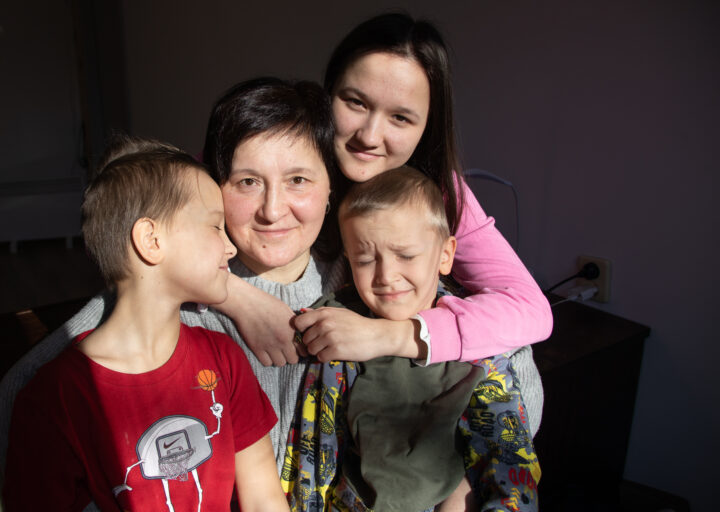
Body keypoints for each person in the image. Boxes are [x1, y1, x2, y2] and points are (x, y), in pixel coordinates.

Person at [218, 12, 552, 438]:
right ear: (329, 93)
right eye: (355, 102)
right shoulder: (279, 152)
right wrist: (238, 298)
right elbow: (153, 223)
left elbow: (529, 309)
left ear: (427, 124)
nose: (369, 136)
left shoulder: (437, 192)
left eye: (400, 118)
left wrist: (393, 336)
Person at [2, 136, 289, 511]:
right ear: (151, 240)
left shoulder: (224, 359)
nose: (230, 247)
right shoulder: (54, 399)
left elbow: (264, 499)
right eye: (215, 226)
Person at [283, 166, 539, 512]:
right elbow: (315, 449)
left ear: (445, 255)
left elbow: (509, 464)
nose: (386, 276)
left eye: (405, 255)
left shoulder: (476, 341)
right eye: (364, 259)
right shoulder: (339, 327)